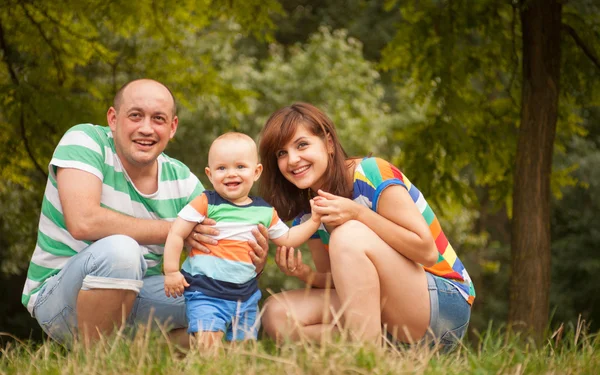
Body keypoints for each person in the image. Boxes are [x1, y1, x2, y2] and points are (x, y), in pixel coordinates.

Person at [21, 79, 269, 347]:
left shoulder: (182, 180)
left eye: (159, 119)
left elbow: (218, 241)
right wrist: (177, 230)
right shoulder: (85, 141)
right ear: (113, 119)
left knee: (226, 304)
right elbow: (83, 221)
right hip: (62, 299)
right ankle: (95, 363)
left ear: (172, 127)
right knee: (121, 251)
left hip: (141, 295)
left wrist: (255, 258)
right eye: (136, 115)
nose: (147, 128)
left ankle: (144, 352)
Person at [258, 102, 475, 351]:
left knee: (347, 234)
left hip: (444, 302)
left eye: (302, 145)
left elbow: (426, 251)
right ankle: (380, 356)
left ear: (329, 143)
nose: (293, 160)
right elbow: (344, 283)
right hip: (386, 318)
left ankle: (366, 358)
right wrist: (304, 274)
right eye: (281, 153)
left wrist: (358, 213)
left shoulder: (371, 173)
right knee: (276, 313)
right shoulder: (309, 215)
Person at [162, 132, 322, 347]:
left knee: (242, 350)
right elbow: (176, 233)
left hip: (245, 297)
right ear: (209, 174)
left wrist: (315, 220)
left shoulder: (264, 211)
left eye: (240, 167)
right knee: (209, 345)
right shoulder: (206, 203)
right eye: (221, 168)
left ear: (256, 172)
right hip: (206, 292)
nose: (230, 174)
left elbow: (288, 238)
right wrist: (171, 271)